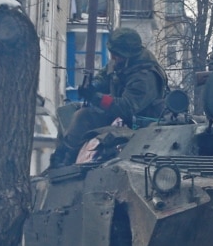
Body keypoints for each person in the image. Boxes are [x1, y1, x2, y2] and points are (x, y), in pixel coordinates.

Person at [50, 27, 168, 167]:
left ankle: (66, 161)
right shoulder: (121, 62)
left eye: (116, 54)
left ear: (128, 54)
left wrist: (97, 98)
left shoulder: (145, 76)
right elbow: (106, 75)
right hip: (120, 116)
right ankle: (61, 158)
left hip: (142, 123)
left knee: (84, 117)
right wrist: (94, 86)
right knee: (71, 112)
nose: (112, 58)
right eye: (112, 53)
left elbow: (126, 107)